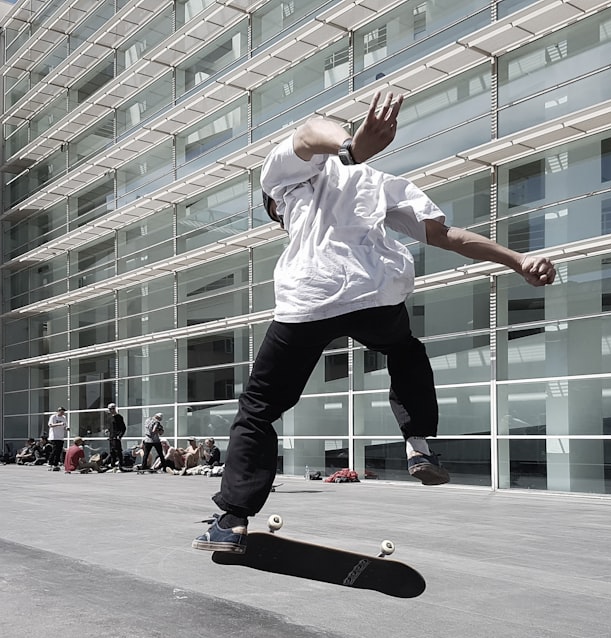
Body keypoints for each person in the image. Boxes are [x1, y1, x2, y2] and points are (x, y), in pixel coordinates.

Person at [194, 92, 555, 553]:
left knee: (258, 408)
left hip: (312, 295)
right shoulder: (380, 182)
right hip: (375, 294)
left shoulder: (283, 182)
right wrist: (517, 259)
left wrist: (351, 147)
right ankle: (419, 443)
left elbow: (308, 132)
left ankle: (231, 521)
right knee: (406, 351)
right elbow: (446, 236)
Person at [104, 403, 126, 471]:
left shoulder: (119, 417)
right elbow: (110, 426)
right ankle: (112, 465)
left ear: (114, 408)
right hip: (111, 436)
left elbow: (123, 428)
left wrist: (120, 436)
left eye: (112, 409)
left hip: (116, 437)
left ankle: (121, 465)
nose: (111, 410)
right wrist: (107, 430)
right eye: (109, 409)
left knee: (118, 451)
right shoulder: (110, 417)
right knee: (112, 451)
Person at [47, 407, 68, 471]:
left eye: (63, 412)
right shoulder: (53, 417)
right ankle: (50, 463)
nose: (62, 413)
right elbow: (50, 425)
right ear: (58, 411)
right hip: (54, 437)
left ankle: (56, 464)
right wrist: (59, 424)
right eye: (61, 412)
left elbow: (65, 425)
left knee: (59, 451)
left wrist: (66, 428)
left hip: (60, 437)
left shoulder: (64, 418)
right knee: (54, 450)